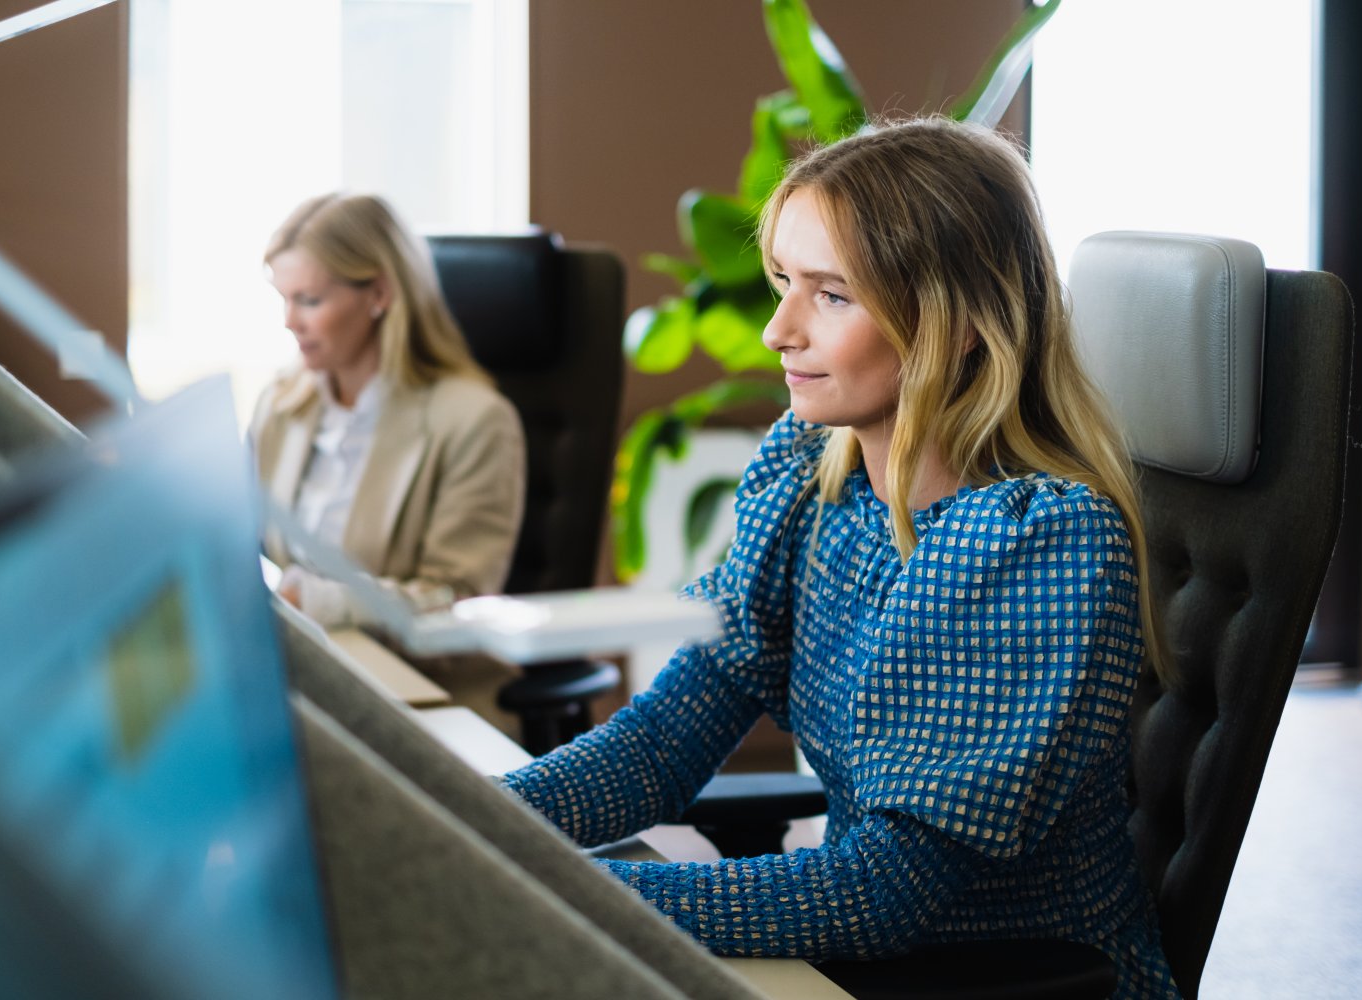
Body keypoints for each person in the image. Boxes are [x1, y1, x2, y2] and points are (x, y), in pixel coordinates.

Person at [501, 117, 1181, 999]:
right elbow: (662, 742)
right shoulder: (812, 480)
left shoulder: (1037, 544)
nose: (778, 331)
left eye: (831, 295)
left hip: (1005, 980)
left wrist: (569, 891)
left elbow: (885, 893)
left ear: (958, 322)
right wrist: (460, 814)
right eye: (785, 282)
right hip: (862, 965)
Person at [249, 193, 525, 629]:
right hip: (302, 657)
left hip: (411, 679)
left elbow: (461, 604)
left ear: (379, 293)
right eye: (284, 298)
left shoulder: (476, 422)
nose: (289, 320)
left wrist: (326, 603)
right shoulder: (281, 404)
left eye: (309, 301)